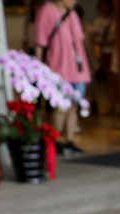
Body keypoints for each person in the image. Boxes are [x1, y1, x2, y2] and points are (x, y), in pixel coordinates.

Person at [34, 0, 91, 155]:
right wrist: (38, 70)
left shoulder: (73, 14)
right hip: (58, 69)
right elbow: (40, 43)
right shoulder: (46, 11)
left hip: (78, 69)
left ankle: (70, 141)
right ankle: (57, 140)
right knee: (61, 107)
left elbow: (79, 40)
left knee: (74, 106)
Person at [88, 0, 120, 115]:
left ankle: (119, 105)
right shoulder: (99, 21)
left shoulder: (116, 19)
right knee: (110, 80)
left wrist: (106, 42)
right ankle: (114, 104)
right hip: (105, 53)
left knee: (117, 80)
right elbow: (95, 38)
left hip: (115, 52)